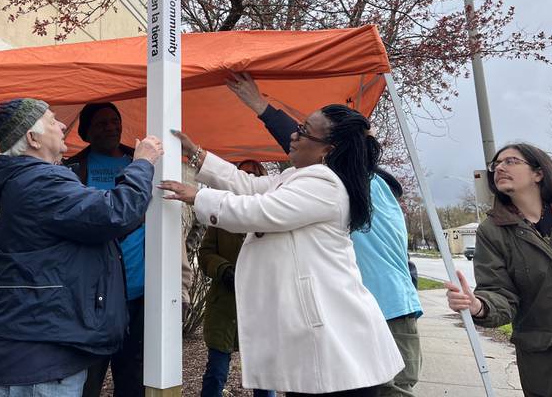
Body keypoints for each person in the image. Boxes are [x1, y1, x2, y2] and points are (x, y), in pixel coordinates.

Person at [160, 105, 403, 397]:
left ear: (327, 149)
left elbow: (260, 210)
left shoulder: (323, 184)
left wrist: (198, 196)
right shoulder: (299, 179)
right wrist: (197, 154)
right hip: (323, 348)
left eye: (303, 131)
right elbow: (247, 185)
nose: (293, 135)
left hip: (339, 348)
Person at [226, 73, 423, 397]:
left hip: (383, 309)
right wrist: (260, 106)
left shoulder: (343, 184)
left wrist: (262, 107)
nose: (296, 138)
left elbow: (307, 149)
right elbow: (307, 144)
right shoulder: (351, 182)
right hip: (354, 311)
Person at [0, 98, 163, 397]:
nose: (63, 125)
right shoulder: (40, 183)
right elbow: (114, 213)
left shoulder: (29, 182)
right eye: (53, 120)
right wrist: (142, 164)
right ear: (32, 138)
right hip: (40, 363)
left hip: (41, 352)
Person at [446, 142, 552, 397]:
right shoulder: (493, 232)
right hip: (549, 365)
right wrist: (478, 305)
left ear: (538, 173)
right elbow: (500, 293)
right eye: (495, 165)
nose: (499, 168)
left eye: (510, 161)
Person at [63, 102, 192, 397]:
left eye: (114, 121)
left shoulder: (144, 163)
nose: (110, 127)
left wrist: (181, 285)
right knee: (86, 381)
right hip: (92, 300)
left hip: (140, 296)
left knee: (133, 380)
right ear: (85, 132)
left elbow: (170, 225)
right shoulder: (72, 171)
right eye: (101, 123)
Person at [198, 159, 276, 397]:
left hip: (262, 308)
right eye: (242, 175)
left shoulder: (273, 216)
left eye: (253, 175)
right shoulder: (220, 217)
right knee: (216, 372)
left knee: (264, 376)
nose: (247, 179)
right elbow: (205, 253)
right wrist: (224, 270)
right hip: (224, 306)